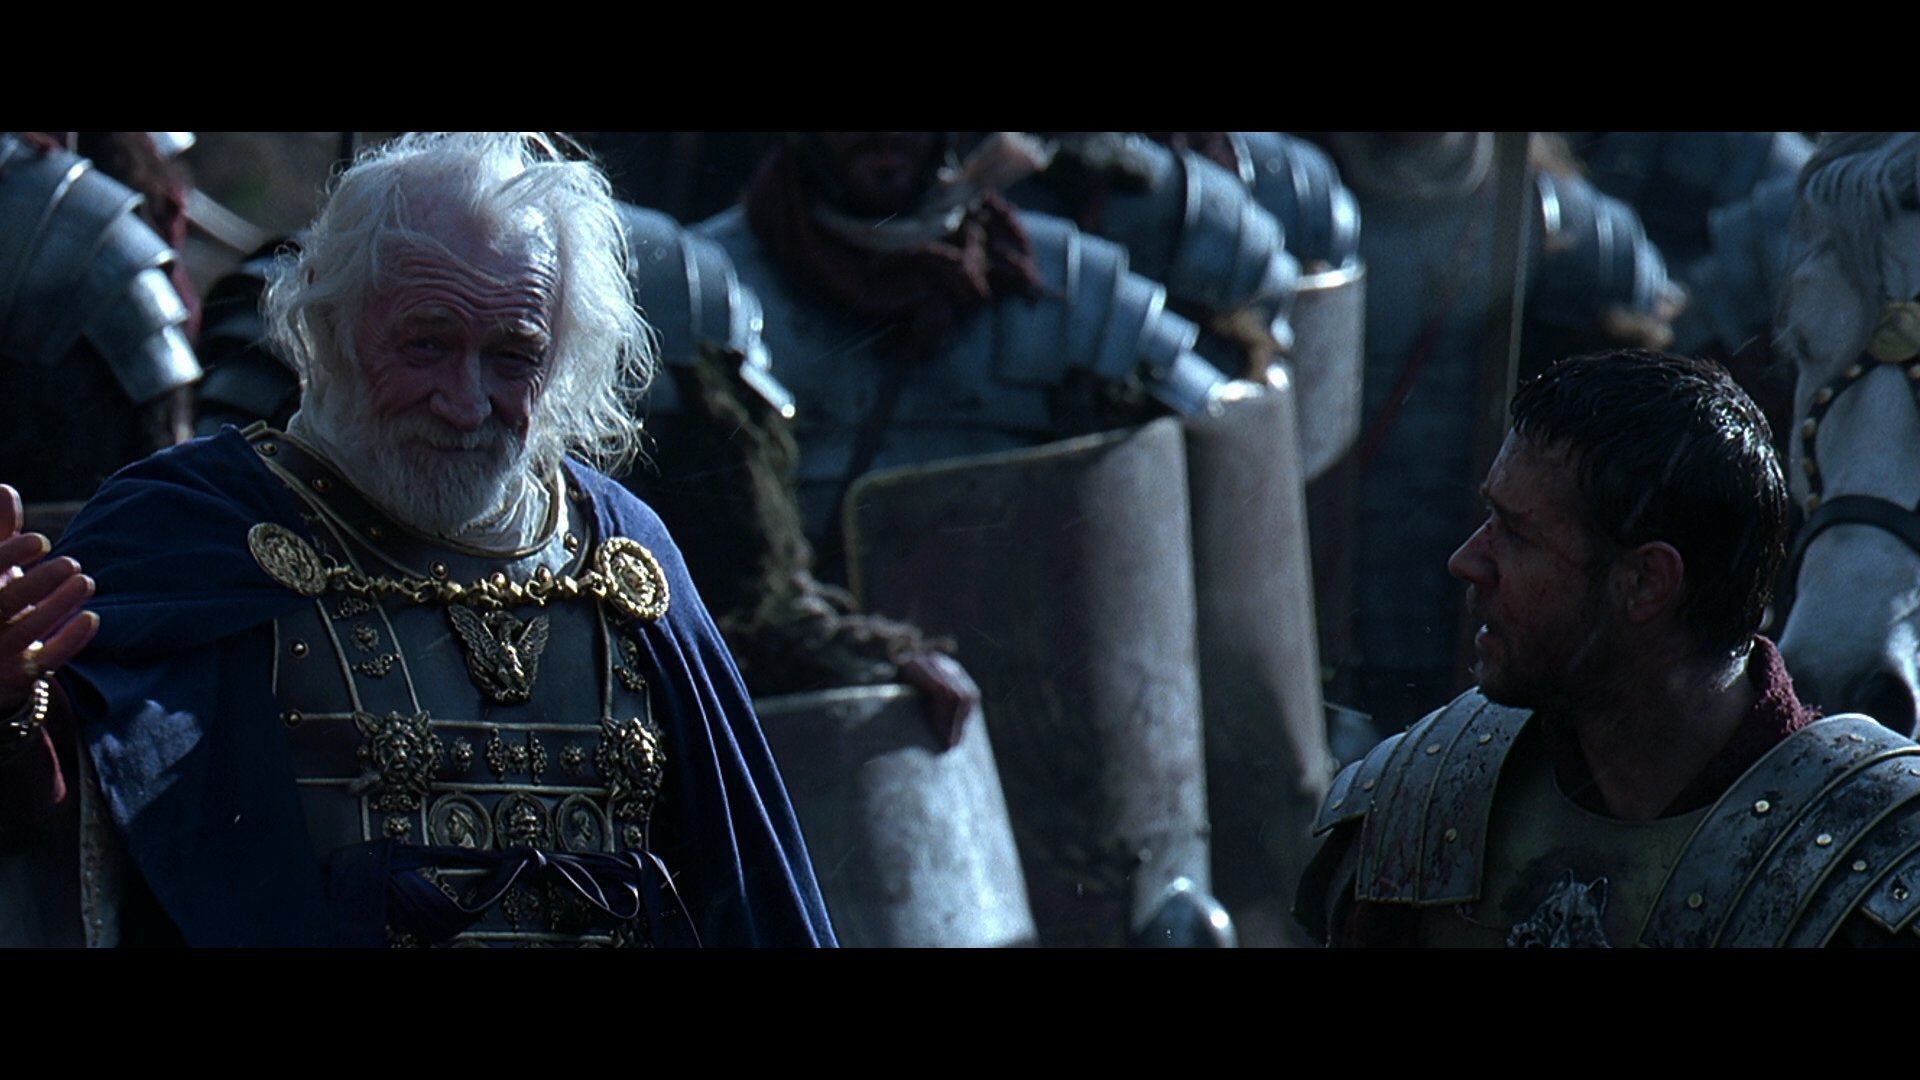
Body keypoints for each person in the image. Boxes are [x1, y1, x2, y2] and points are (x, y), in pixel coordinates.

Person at [0, 132, 834, 947]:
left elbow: (745, 892)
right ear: (332, 323)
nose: (465, 404)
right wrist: (12, 711)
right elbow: (64, 832)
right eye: (427, 344)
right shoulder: (186, 532)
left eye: (514, 356)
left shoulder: (626, 554)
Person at [1297, 350, 1920, 947]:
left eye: (1516, 533)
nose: (1467, 561)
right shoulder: (1426, 807)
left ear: (1646, 582)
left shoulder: (1870, 872)